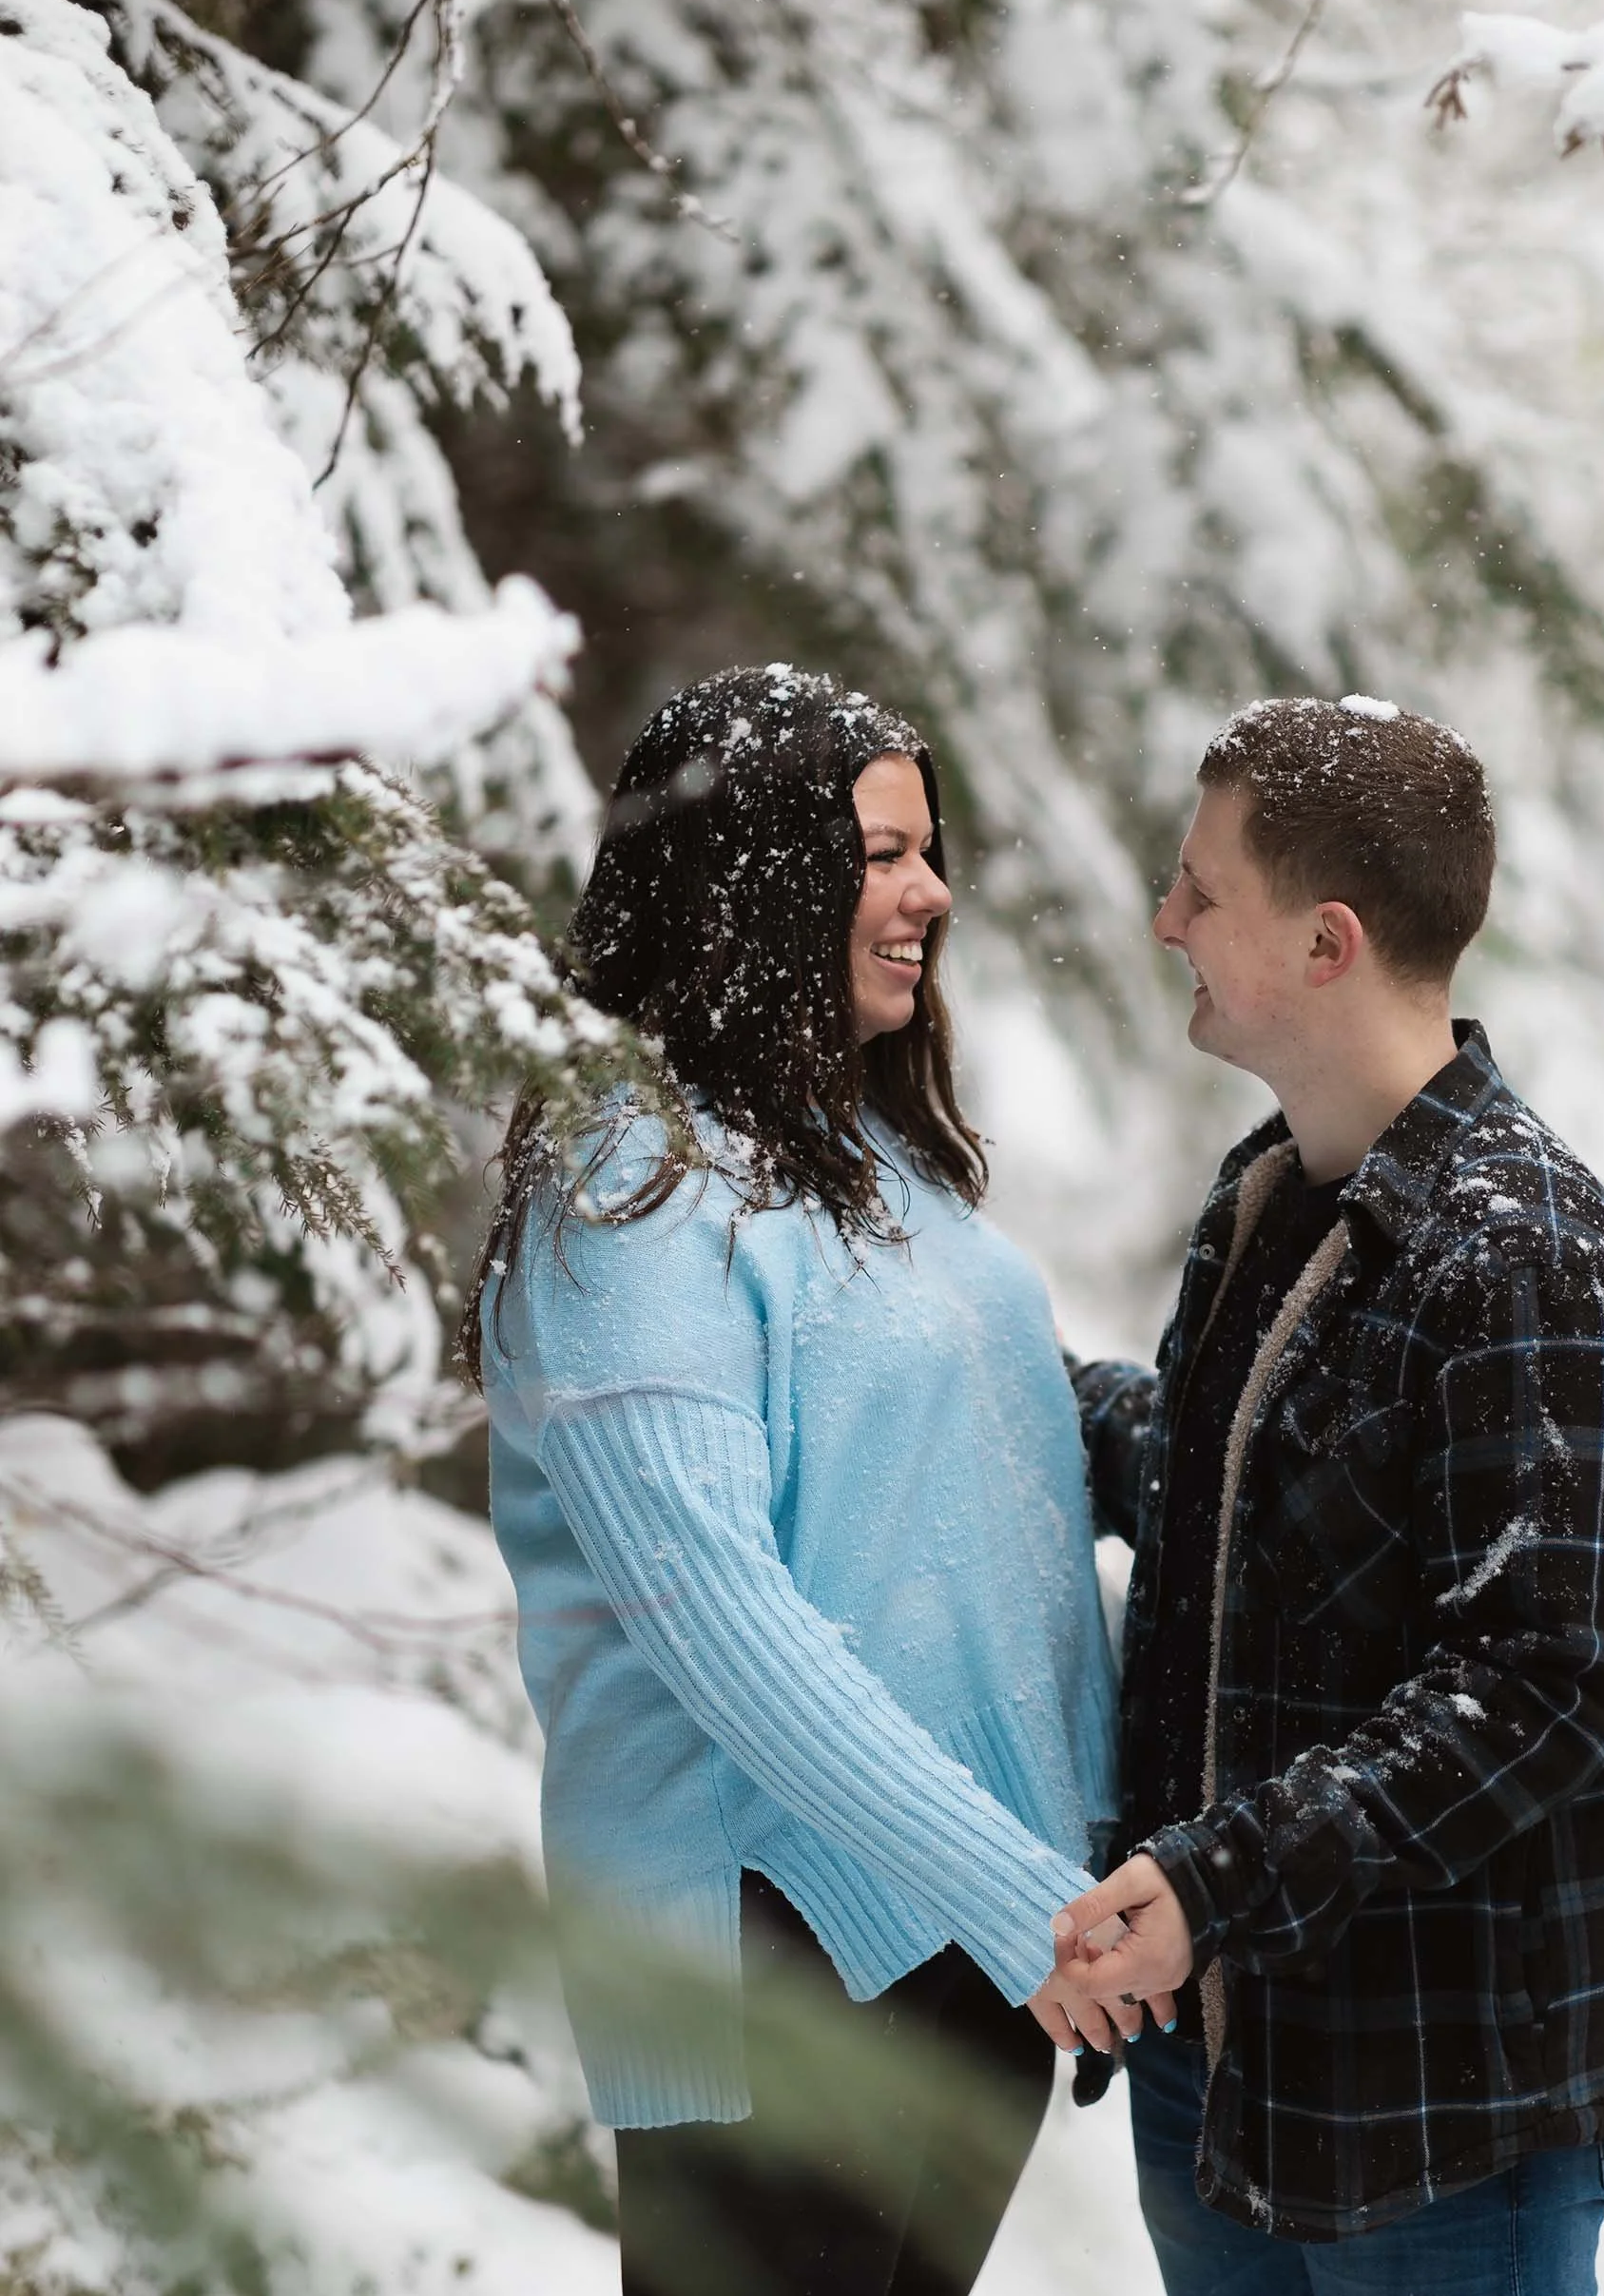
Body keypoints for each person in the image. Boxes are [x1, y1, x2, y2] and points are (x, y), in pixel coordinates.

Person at [461, 665, 1128, 2296]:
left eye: (927, 849)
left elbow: (994, 1436)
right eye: (880, 854)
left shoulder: (854, 1145)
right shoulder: (626, 1188)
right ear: (757, 878)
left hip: (963, 1942)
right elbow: (722, 1628)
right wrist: (1035, 1902)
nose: (930, 894)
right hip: (773, 1960)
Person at [1046, 695, 1604, 2291]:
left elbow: (1541, 1684)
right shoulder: (1269, 1196)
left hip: (1435, 2109)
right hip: (1226, 2058)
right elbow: (1220, 1494)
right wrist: (987, 1374)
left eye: (1200, 890)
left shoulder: (1529, 1259)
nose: (1161, 919)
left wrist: (1215, 1886)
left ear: (1324, 944)